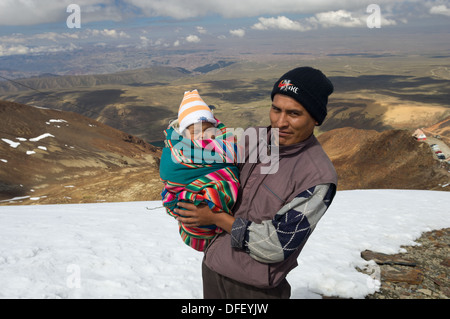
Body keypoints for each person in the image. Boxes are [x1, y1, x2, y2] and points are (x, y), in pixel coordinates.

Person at [175, 67, 338, 298]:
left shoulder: (317, 177)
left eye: (294, 113)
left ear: (316, 118)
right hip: (213, 268)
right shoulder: (254, 137)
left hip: (255, 288)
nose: (280, 122)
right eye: (276, 109)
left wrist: (215, 218)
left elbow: (277, 245)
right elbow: (216, 173)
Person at [160, 89, 240, 252]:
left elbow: (231, 163)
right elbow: (170, 172)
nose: (204, 136)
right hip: (193, 210)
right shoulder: (178, 151)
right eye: (196, 132)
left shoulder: (224, 145)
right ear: (184, 135)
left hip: (219, 216)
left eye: (208, 130)